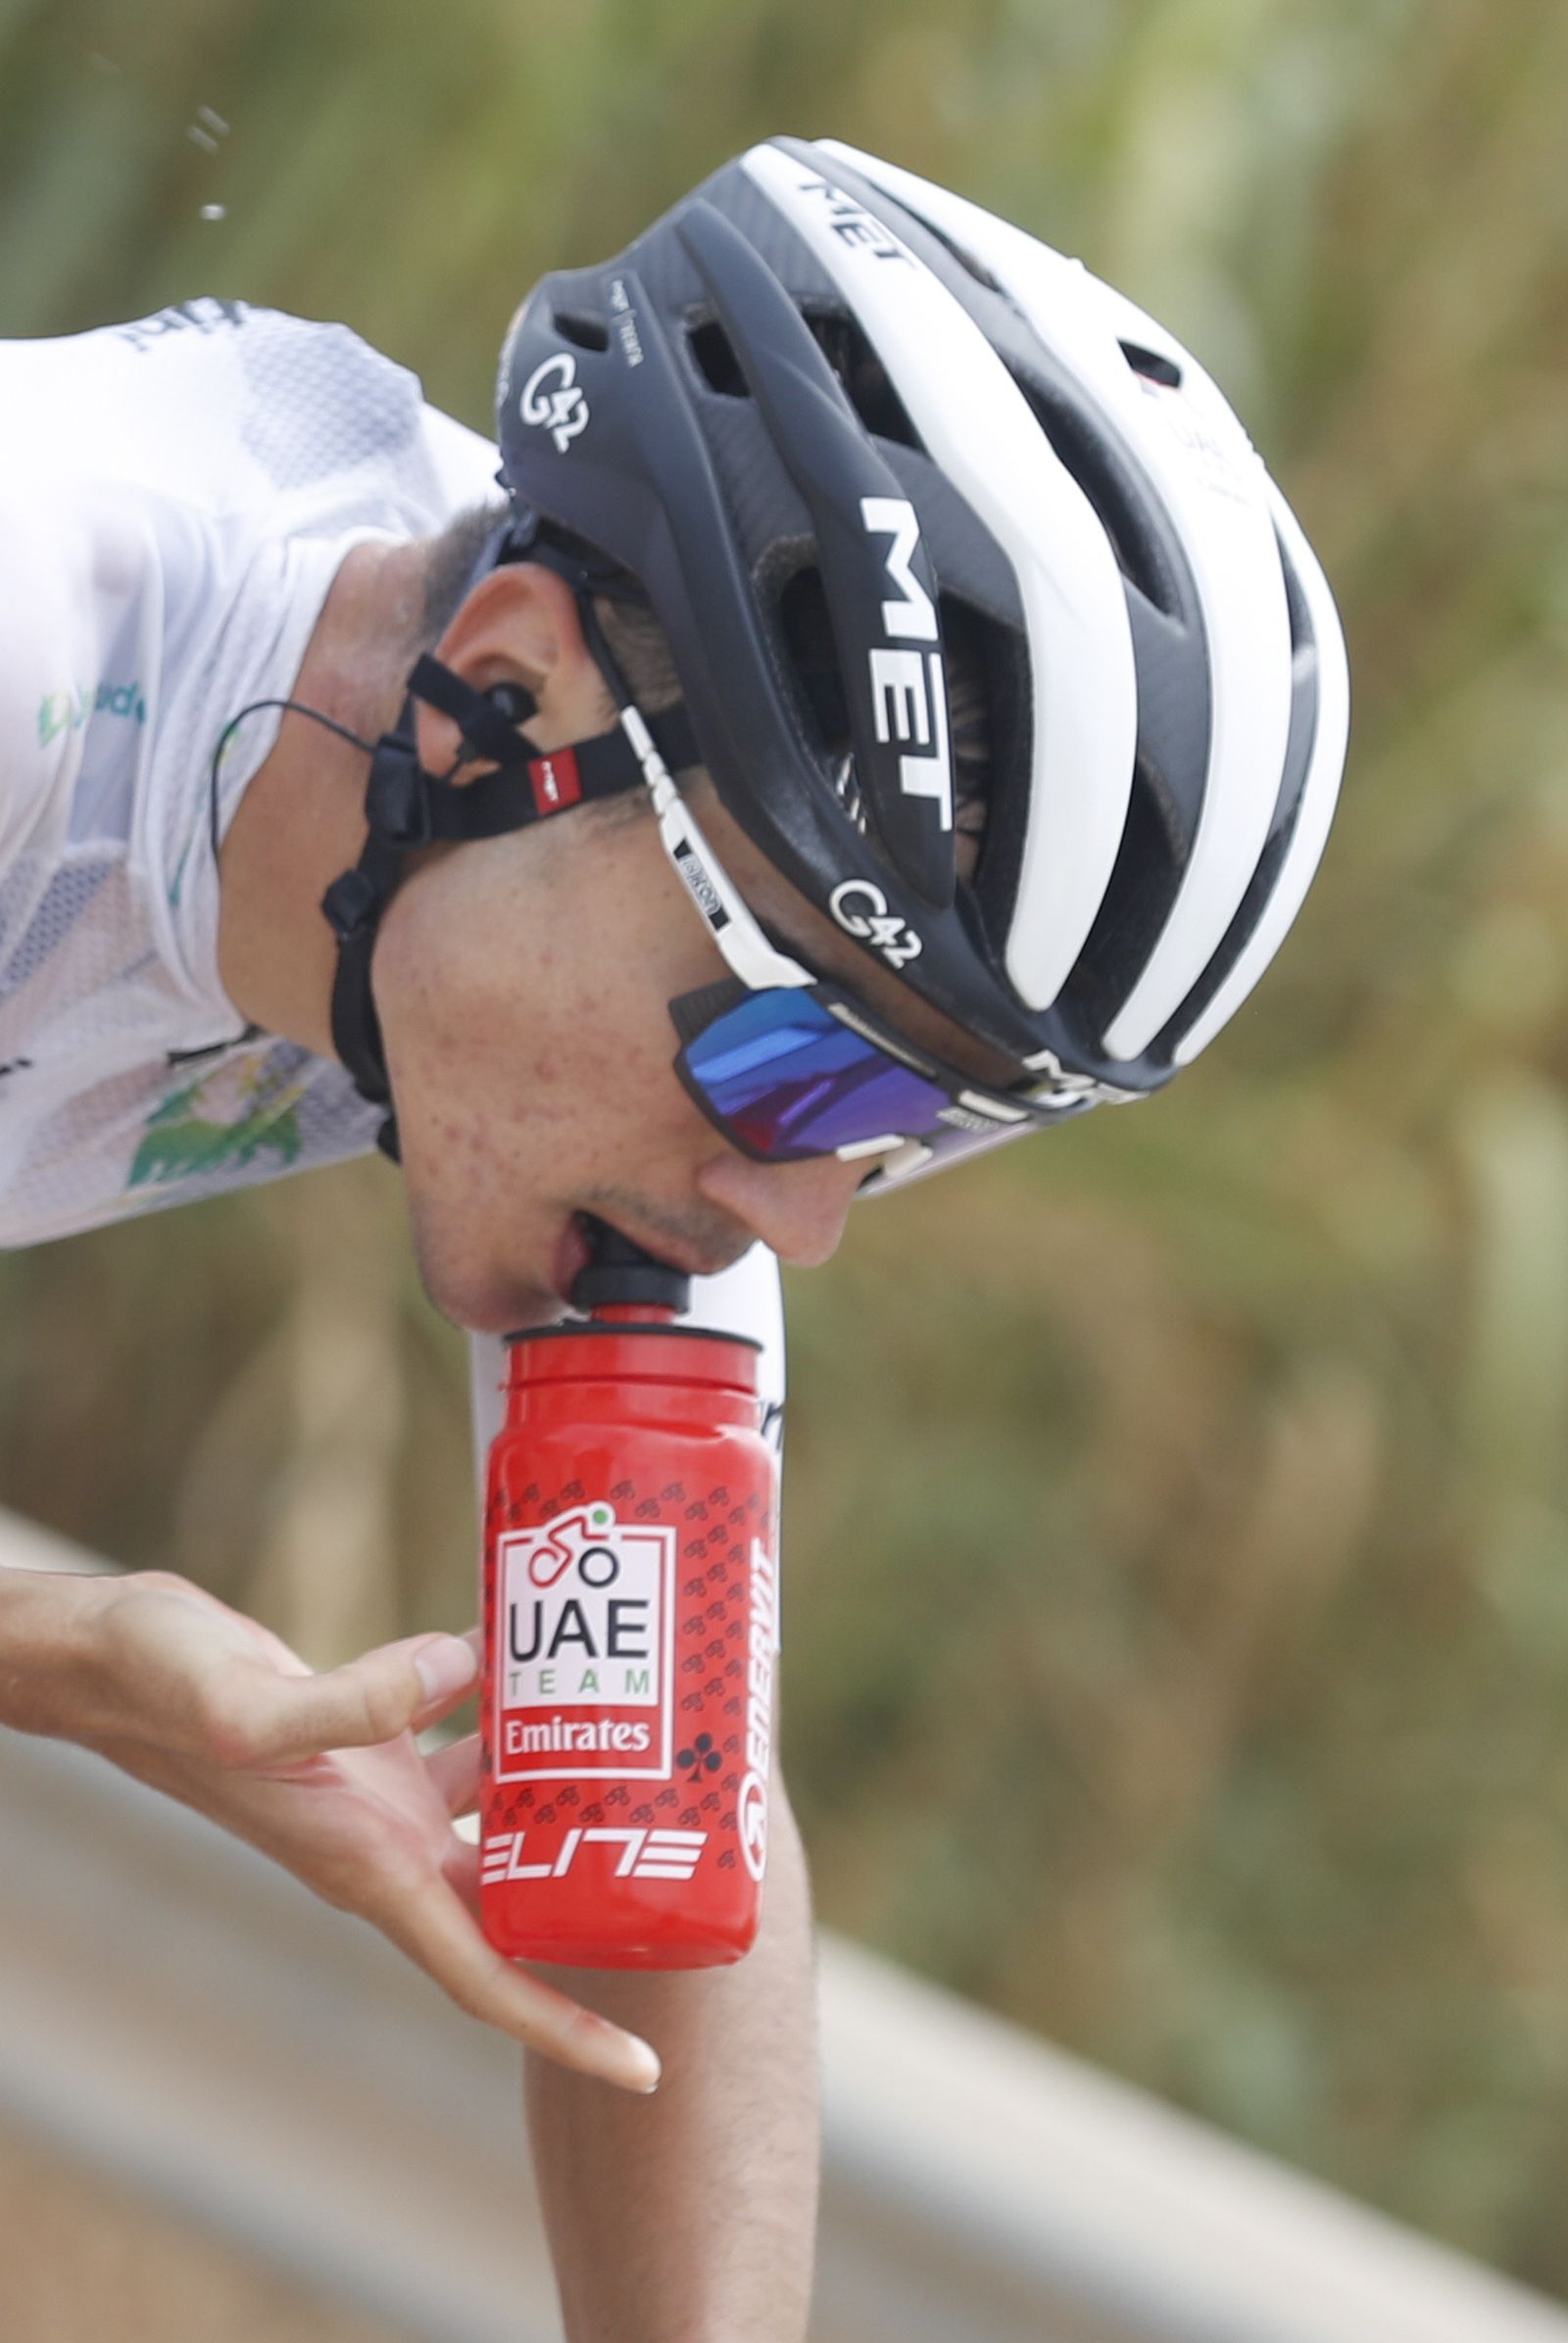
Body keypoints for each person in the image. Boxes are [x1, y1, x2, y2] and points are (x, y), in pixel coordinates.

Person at [0, 136, 1348, 2339]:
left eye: (905, 1122)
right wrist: (59, 1654)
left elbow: (668, 1772)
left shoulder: (535, 886)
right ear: (511, 690)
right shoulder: (36, 618)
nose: (796, 1209)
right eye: (807, 1062)